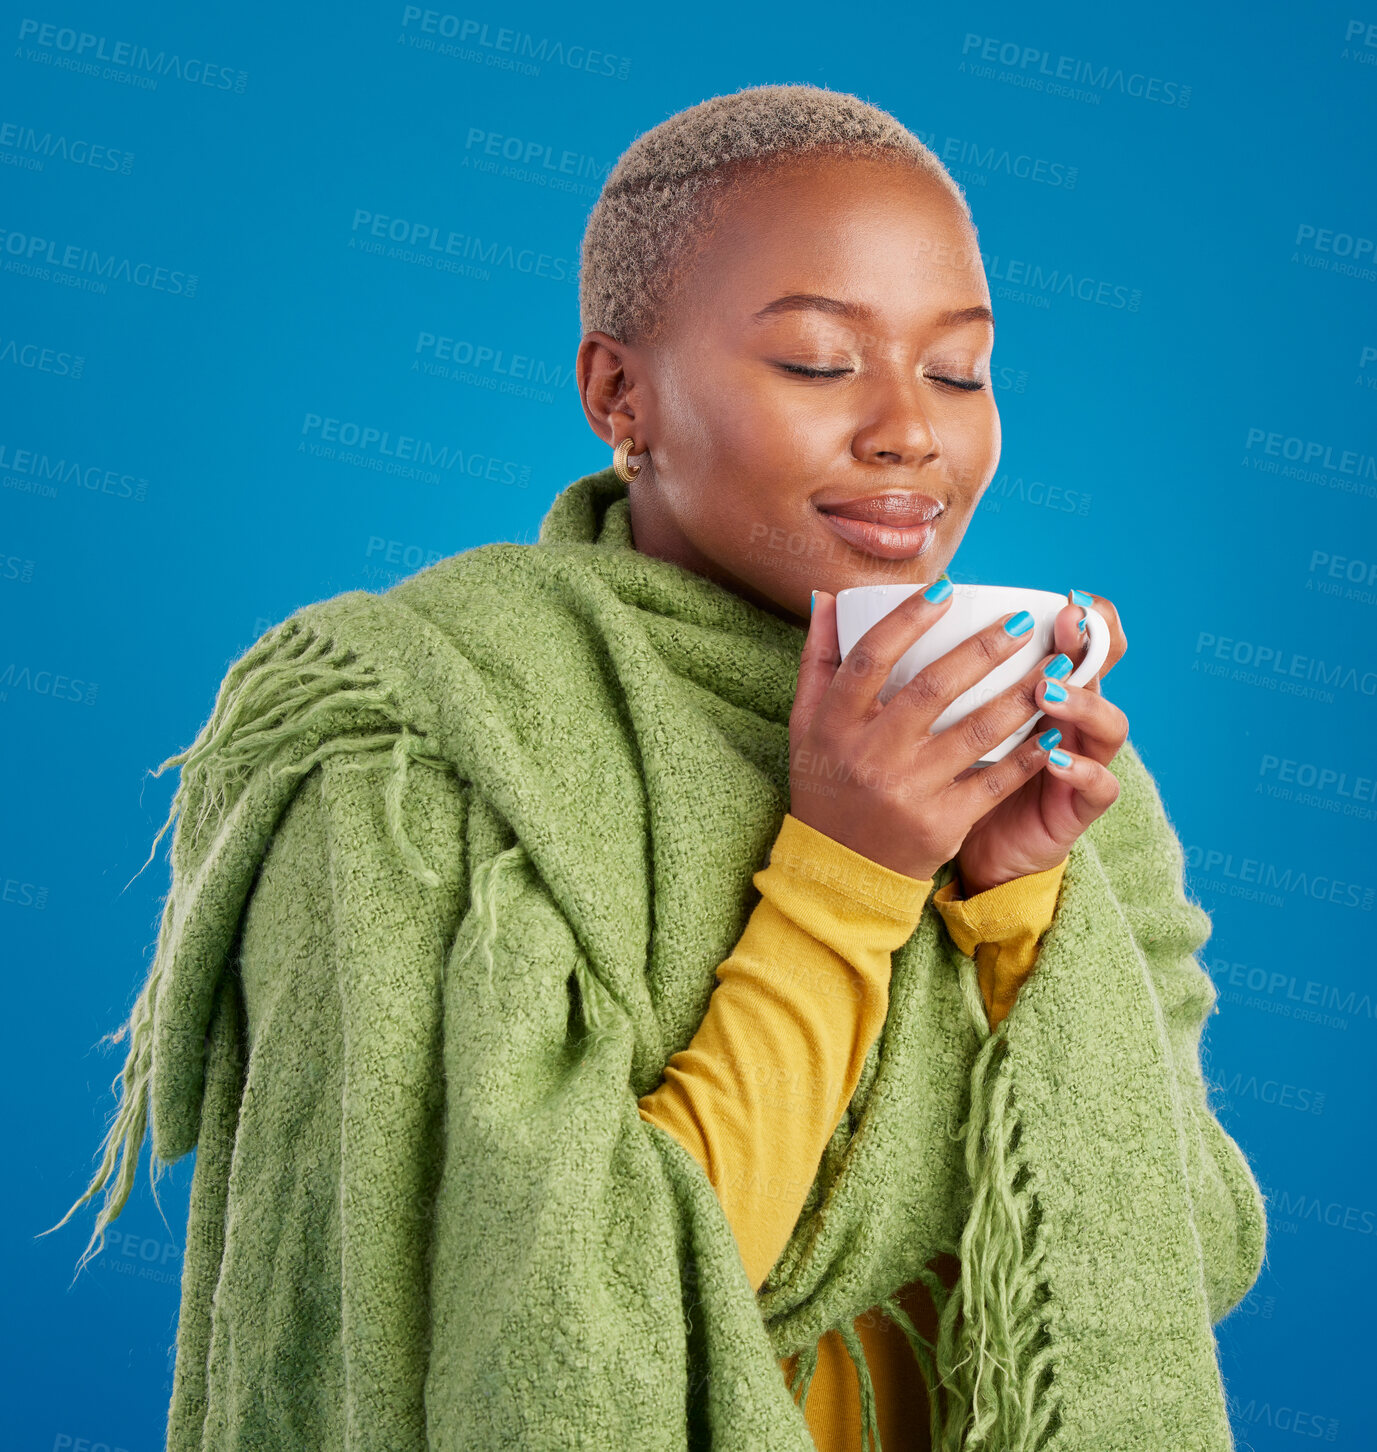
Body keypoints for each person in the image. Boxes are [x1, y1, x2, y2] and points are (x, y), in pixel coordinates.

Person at [44, 84, 1267, 1451]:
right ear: (618, 393)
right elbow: (547, 1337)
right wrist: (848, 876)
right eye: (817, 362)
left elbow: (1183, 1261)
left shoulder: (1053, 768)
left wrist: (1018, 912)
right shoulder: (424, 747)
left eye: (959, 370)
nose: (909, 432)